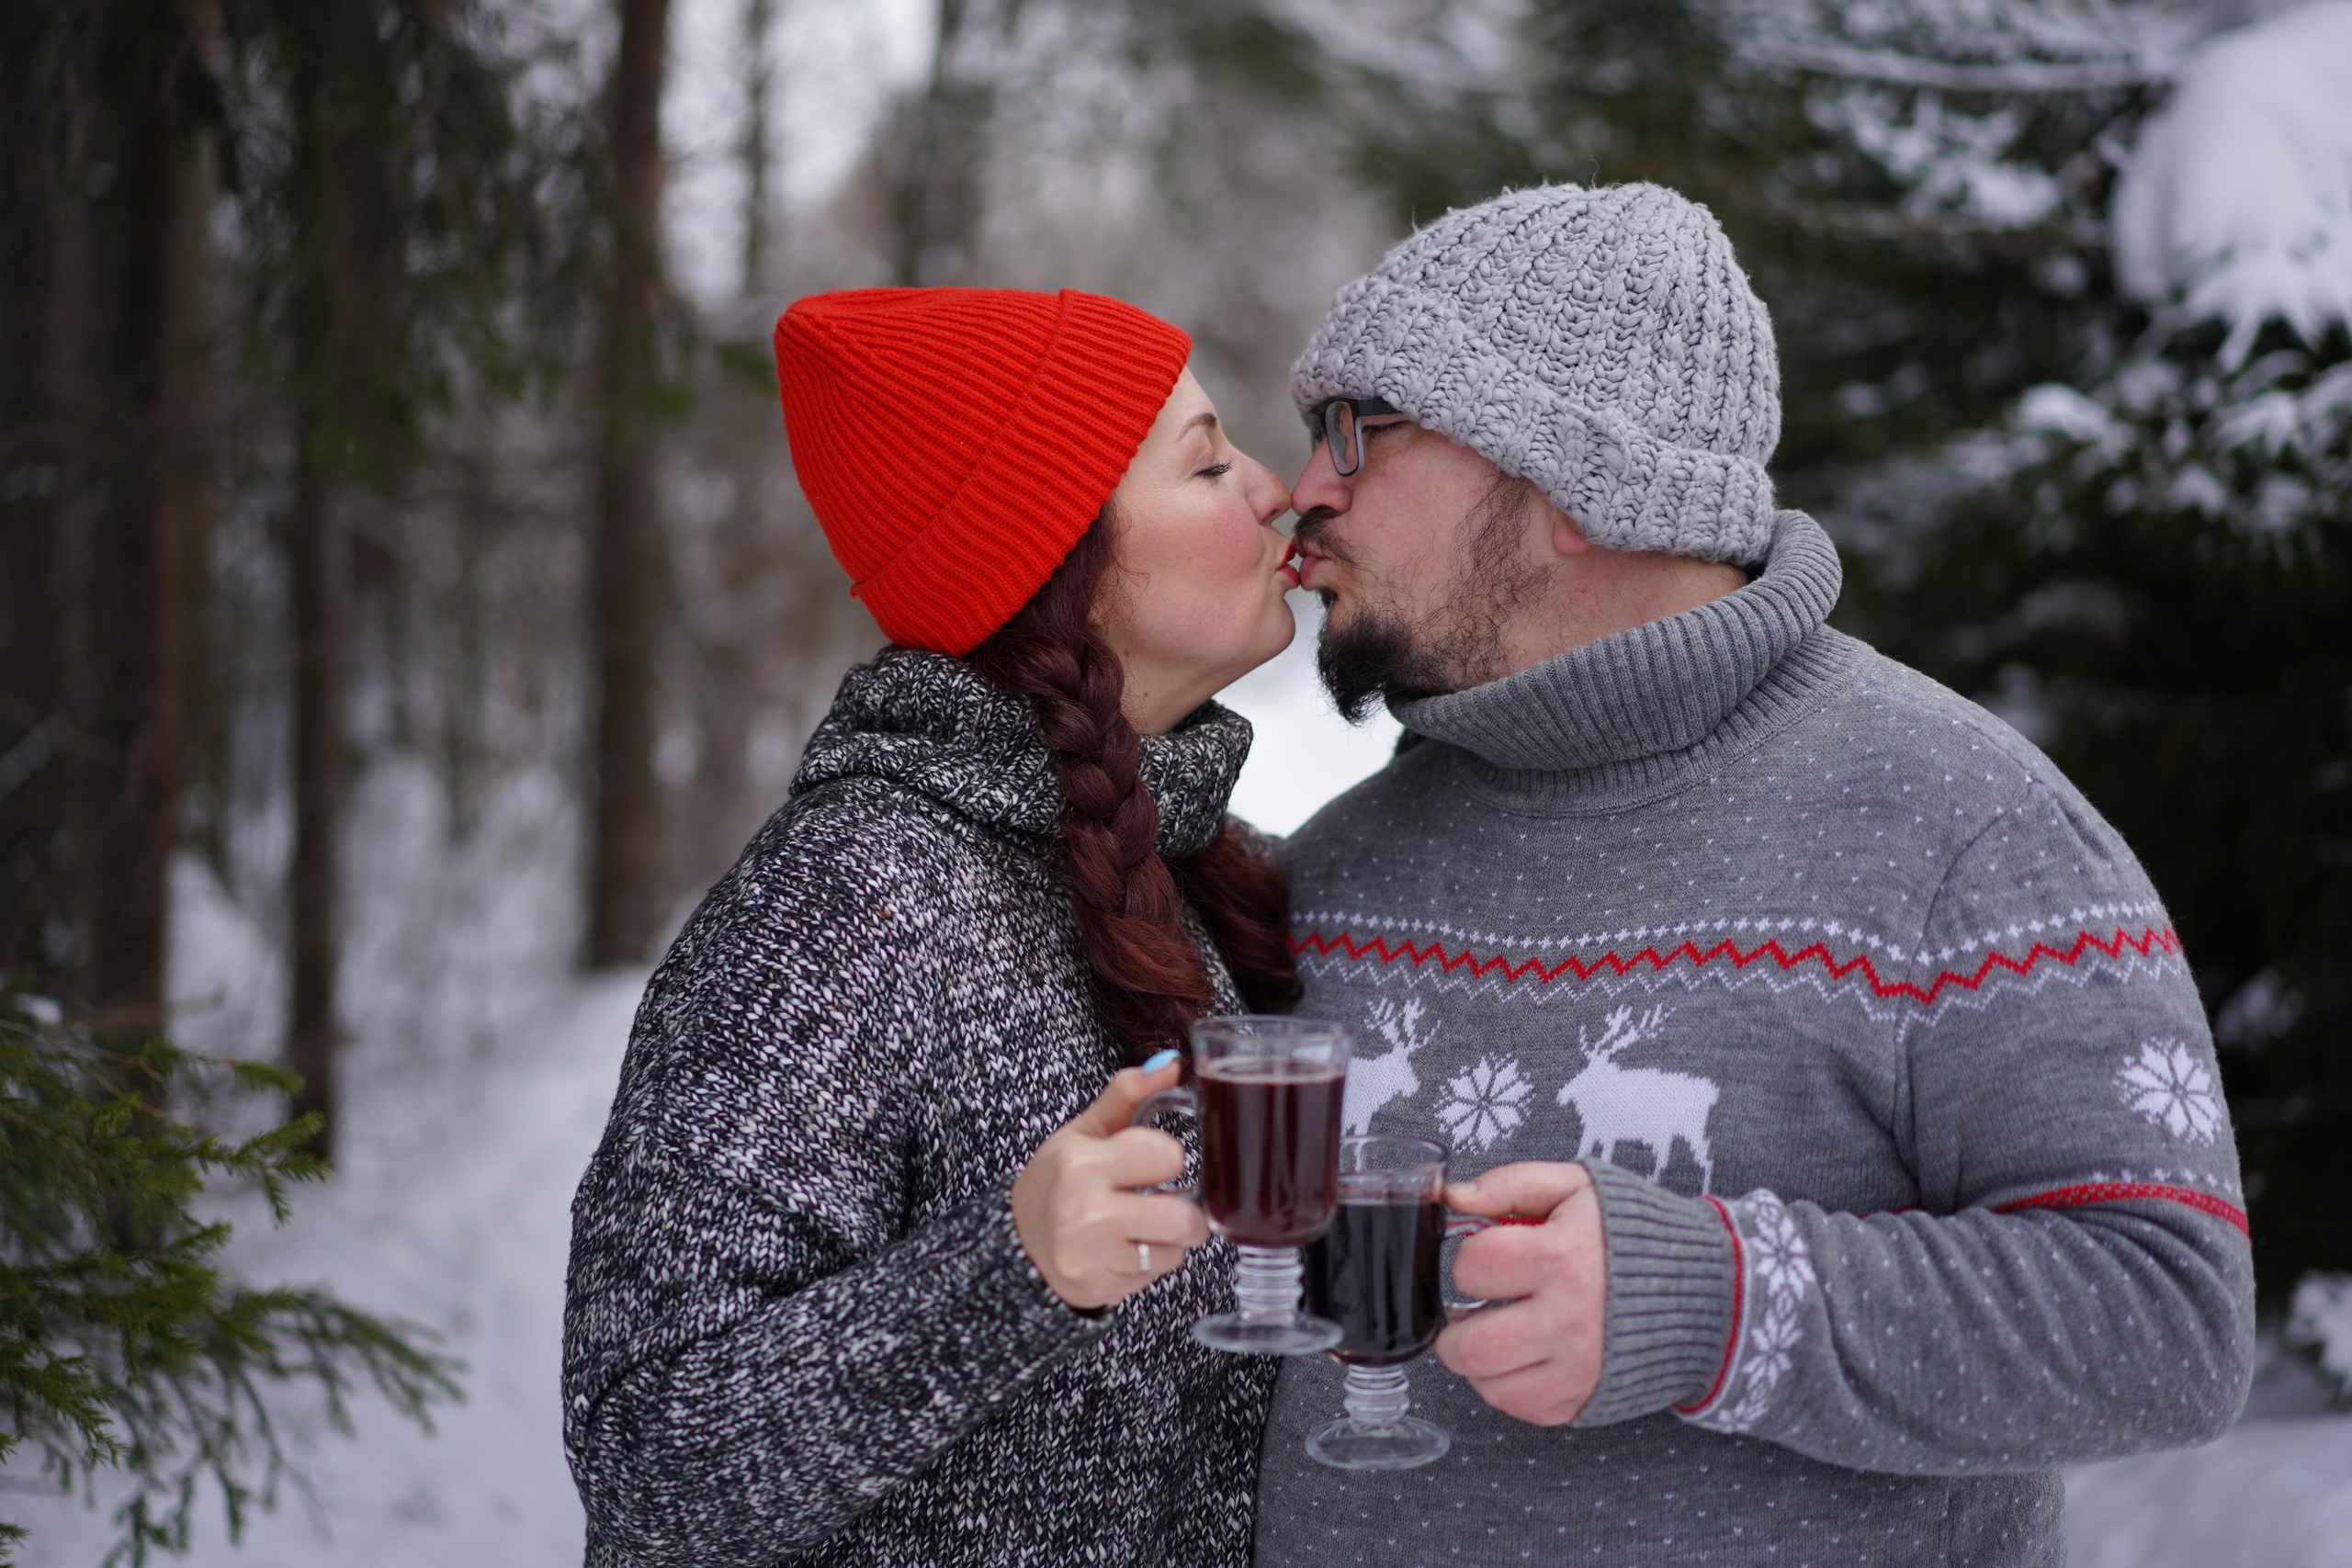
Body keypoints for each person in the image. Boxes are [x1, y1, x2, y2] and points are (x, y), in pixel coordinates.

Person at [1254, 183, 2255, 1566]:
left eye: (1359, 430)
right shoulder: (1332, 865)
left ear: (1572, 485)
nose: (1304, 490)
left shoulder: (1963, 832)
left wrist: (1720, 1303)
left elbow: (2170, 1321)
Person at [563, 286, 1308, 1567]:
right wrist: (1007, 1274)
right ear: (1061, 567)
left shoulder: (1183, 869)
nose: (1274, 490)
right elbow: (648, 1453)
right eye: (1207, 462)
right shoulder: (847, 901)